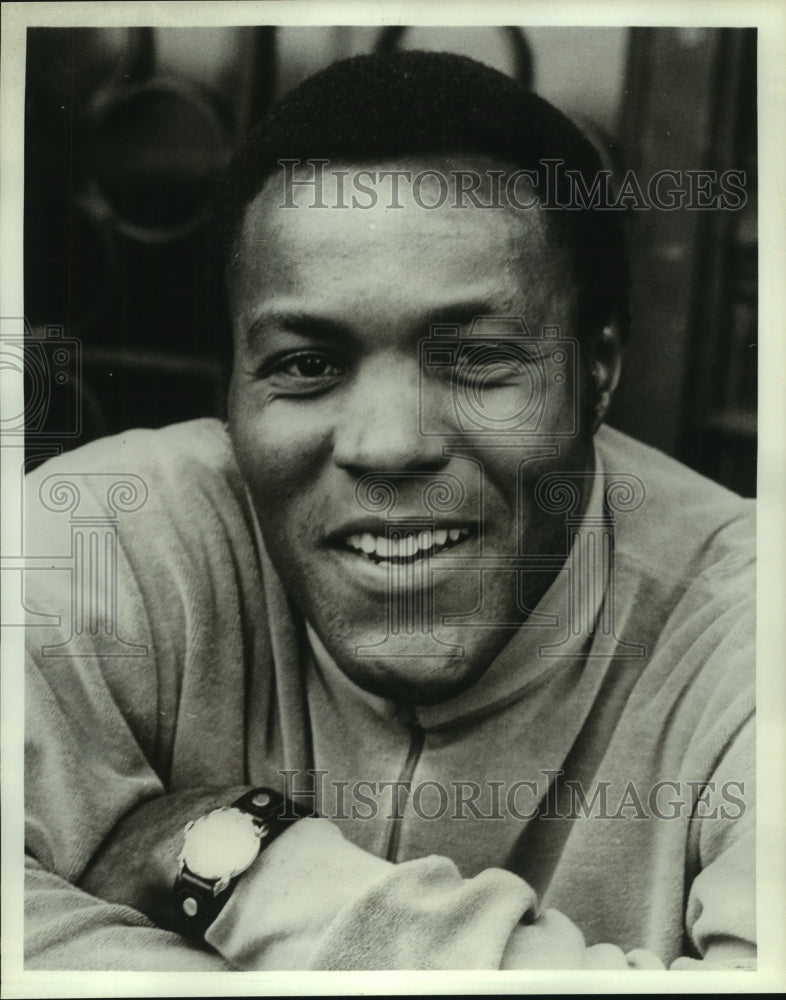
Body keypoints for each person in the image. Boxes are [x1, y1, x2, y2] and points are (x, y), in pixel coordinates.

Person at [23, 51, 755, 971]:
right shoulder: (100, 543)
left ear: (597, 371)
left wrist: (242, 861)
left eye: (477, 358)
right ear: (232, 393)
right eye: (306, 365)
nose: (387, 445)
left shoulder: (745, 628)